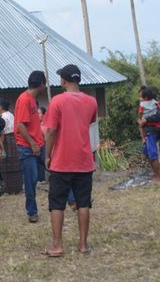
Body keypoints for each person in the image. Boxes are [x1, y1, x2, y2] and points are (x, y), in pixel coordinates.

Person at [43, 64, 98, 257]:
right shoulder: (92, 102)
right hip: (84, 160)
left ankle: (57, 245)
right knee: (84, 203)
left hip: (62, 161)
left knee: (57, 204)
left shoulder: (57, 101)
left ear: (64, 81)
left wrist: (48, 155)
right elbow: (89, 122)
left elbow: (50, 131)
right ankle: (83, 245)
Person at [15, 71, 47, 223]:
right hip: (27, 147)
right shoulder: (24, 99)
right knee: (31, 180)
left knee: (56, 169)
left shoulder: (33, 100)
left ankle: (72, 200)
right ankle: (32, 212)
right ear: (41, 84)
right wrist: (33, 144)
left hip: (39, 144)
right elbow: (20, 125)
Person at [138, 87, 160, 183]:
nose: (140, 98)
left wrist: (146, 120)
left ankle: (158, 176)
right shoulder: (145, 105)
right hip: (147, 130)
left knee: (153, 154)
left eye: (141, 96)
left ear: (146, 96)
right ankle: (155, 173)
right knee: (147, 152)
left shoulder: (156, 104)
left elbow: (159, 116)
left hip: (152, 131)